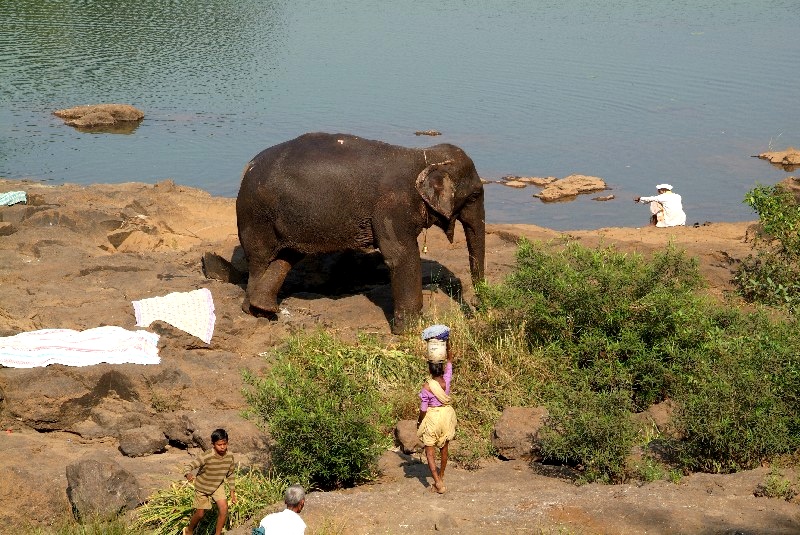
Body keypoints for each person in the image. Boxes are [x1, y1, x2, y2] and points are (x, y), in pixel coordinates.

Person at [417, 324, 457, 494]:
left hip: (433, 418)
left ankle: (438, 483)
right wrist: (446, 343)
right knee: (444, 448)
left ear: (429, 368)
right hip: (446, 416)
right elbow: (450, 360)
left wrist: (419, 421)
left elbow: (424, 409)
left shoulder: (427, 387)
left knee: (430, 453)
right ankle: (441, 476)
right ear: (441, 368)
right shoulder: (446, 380)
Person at [183, 428, 237, 535]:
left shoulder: (230, 457)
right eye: (219, 444)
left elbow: (230, 474)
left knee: (224, 508)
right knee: (200, 514)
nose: (222, 447)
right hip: (202, 487)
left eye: (224, 444)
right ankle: (189, 529)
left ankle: (217, 533)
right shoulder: (207, 456)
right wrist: (188, 474)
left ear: (227, 442)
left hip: (217, 486)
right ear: (213, 444)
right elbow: (189, 466)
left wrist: (232, 491)